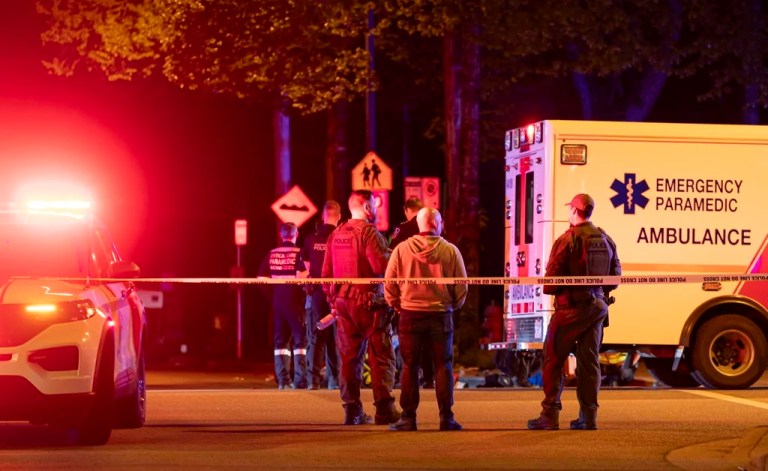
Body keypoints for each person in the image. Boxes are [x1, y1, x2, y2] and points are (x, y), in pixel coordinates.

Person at [527, 193, 621, 430]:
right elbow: (614, 279)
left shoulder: (567, 240)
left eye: (570, 208)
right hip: (597, 308)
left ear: (574, 211)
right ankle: (588, 417)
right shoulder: (606, 239)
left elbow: (550, 283)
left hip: (570, 310)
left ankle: (549, 415)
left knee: (553, 359)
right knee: (589, 363)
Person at [384, 207, 467, 431]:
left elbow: (389, 283)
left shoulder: (401, 250)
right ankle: (446, 417)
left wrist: (396, 304)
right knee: (443, 366)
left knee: (409, 366)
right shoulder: (450, 251)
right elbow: (461, 286)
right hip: (441, 315)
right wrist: (452, 305)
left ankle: (408, 417)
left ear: (419, 224)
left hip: (410, 314)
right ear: (437, 224)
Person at [321, 190, 400, 425]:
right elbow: (380, 265)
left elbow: (326, 274)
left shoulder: (335, 235)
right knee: (381, 355)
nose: (376, 209)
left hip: (343, 305)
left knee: (348, 357)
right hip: (369, 305)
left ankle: (352, 410)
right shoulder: (369, 233)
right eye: (375, 205)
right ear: (366, 207)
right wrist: (394, 255)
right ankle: (384, 409)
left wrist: (333, 302)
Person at [390, 196, 435, 389]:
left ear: (407, 210)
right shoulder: (435, 229)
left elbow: (391, 256)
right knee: (430, 339)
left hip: (408, 293)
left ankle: (409, 377)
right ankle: (429, 377)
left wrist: (392, 297)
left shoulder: (403, 229)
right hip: (433, 293)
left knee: (409, 339)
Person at [258, 222, 309, 389]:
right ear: (296, 234)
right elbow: (304, 279)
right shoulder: (300, 253)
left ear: (281, 235)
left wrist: (273, 296)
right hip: (296, 303)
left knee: (280, 343)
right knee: (300, 343)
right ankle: (300, 381)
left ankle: (283, 381)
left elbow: (260, 279)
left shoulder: (272, 254)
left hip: (278, 303)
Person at [302, 200, 342, 390]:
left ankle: (314, 381)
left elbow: (306, 269)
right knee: (337, 337)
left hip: (318, 294)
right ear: (339, 217)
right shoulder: (343, 238)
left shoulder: (311, 239)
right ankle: (336, 380)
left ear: (323, 216)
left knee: (317, 336)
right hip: (339, 293)